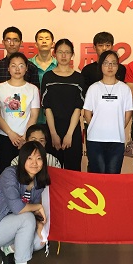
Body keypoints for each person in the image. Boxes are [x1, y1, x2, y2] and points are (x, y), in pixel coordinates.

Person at [83, 50, 133, 174]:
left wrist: (118, 127)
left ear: (118, 66)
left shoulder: (124, 89)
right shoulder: (93, 88)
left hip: (116, 139)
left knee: (113, 175)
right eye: (106, 63)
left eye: (113, 63)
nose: (110, 67)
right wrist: (96, 127)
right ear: (101, 66)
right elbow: (87, 113)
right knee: (98, 175)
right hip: (95, 139)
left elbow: (128, 113)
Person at [0, 52, 41, 175]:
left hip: (25, 138)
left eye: (21, 65)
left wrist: (25, 136)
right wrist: (10, 133)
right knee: (4, 171)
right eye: (13, 66)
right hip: (4, 136)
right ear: (8, 68)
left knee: (26, 172)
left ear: (26, 68)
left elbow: (34, 115)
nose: (17, 69)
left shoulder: (33, 89)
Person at [41, 38, 85, 170]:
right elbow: (47, 107)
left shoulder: (78, 78)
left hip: (73, 131)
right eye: (60, 52)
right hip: (52, 129)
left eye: (67, 52)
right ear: (54, 54)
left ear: (72, 54)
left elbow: (78, 108)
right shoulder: (48, 77)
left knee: (73, 171)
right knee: (53, 171)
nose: (64, 55)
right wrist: (53, 134)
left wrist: (69, 134)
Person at [0, 27, 40, 91]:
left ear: (21, 43)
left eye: (15, 40)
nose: (12, 44)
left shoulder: (31, 67)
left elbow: (36, 91)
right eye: (8, 40)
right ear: (3, 42)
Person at [29, 29, 57, 125]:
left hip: (54, 113)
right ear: (36, 44)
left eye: (47, 39)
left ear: (52, 44)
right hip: (31, 113)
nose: (44, 41)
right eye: (41, 39)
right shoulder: (27, 65)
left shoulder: (59, 65)